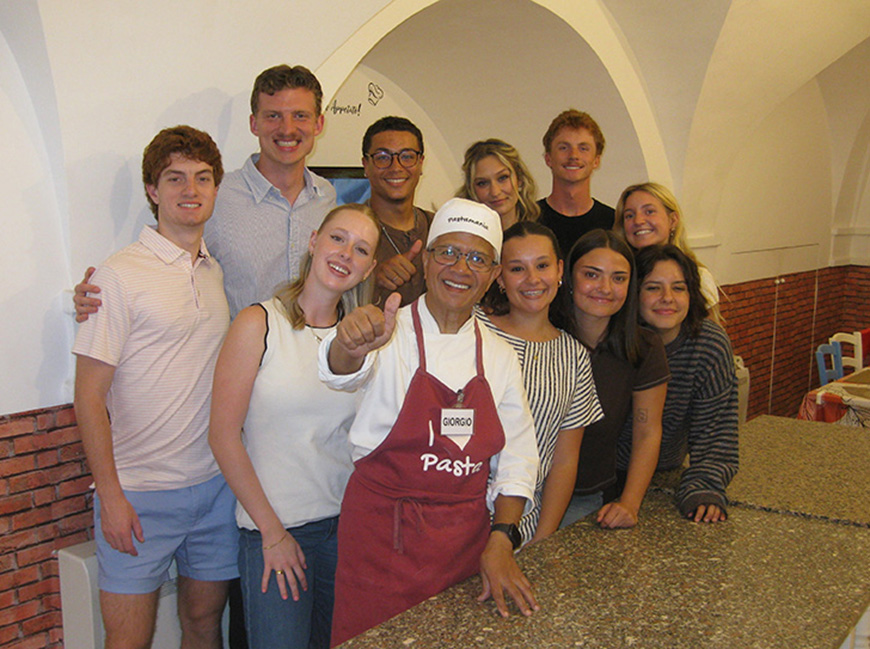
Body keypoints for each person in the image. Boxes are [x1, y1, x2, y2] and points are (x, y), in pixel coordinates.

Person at [319, 198, 540, 645]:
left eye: (477, 258)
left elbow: (518, 457)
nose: (460, 268)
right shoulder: (385, 330)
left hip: (463, 546)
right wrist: (347, 345)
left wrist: (502, 538)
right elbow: (341, 371)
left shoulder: (497, 356)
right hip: (381, 541)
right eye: (448, 253)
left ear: (494, 274)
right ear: (426, 258)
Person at [72, 126, 237, 649]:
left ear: (215, 188)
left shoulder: (214, 272)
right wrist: (112, 496)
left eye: (202, 178)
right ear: (152, 190)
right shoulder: (118, 276)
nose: (190, 189)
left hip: (214, 489)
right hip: (139, 495)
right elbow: (89, 397)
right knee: (128, 643)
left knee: (205, 627)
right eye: (175, 178)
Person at [209, 204, 380, 648]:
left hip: (343, 532)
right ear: (313, 241)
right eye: (338, 238)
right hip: (275, 532)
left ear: (369, 269)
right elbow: (223, 436)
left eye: (361, 249)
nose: (345, 254)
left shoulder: (362, 342)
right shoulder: (259, 323)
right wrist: (272, 533)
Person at [75, 64, 337, 321]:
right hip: (241, 361)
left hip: (313, 357)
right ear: (254, 124)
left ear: (319, 123)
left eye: (300, 115)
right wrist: (105, 293)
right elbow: (165, 257)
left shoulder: (326, 197)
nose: (287, 128)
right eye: (273, 116)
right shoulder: (215, 196)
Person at [477, 221, 602, 545]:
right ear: (499, 277)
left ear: (560, 270)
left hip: (524, 527)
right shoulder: (473, 329)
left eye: (542, 266)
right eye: (517, 268)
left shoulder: (574, 356)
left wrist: (543, 538)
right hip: (458, 521)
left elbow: (563, 460)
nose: (532, 280)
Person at [616, 244, 739, 522]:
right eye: (653, 288)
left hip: (665, 475)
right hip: (603, 477)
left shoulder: (709, 345)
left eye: (679, 288)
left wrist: (704, 489)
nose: (667, 298)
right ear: (634, 293)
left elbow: (716, 432)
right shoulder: (614, 339)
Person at [558, 229, 669, 529]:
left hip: (586, 498)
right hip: (521, 494)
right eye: (592, 275)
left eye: (619, 278)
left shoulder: (643, 346)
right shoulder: (545, 335)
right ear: (568, 277)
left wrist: (629, 503)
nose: (605, 288)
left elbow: (647, 432)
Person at [613, 181, 722, 320]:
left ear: (673, 220)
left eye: (649, 211)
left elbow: (711, 337)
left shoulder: (700, 277)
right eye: (629, 215)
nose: (638, 221)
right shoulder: (617, 277)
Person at [362, 116, 433, 308]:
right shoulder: (348, 231)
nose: (396, 167)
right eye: (383, 157)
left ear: (421, 164)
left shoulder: (439, 227)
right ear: (366, 166)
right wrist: (371, 283)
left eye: (407, 156)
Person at [538, 110, 615, 257]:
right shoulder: (529, 218)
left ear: (596, 160)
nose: (573, 156)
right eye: (564, 148)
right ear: (548, 159)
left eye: (583, 148)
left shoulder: (614, 223)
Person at [457, 138, 540, 230]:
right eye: (482, 183)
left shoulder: (544, 232)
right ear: (471, 190)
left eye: (502, 178)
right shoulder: (463, 238)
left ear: (519, 179)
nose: (495, 192)